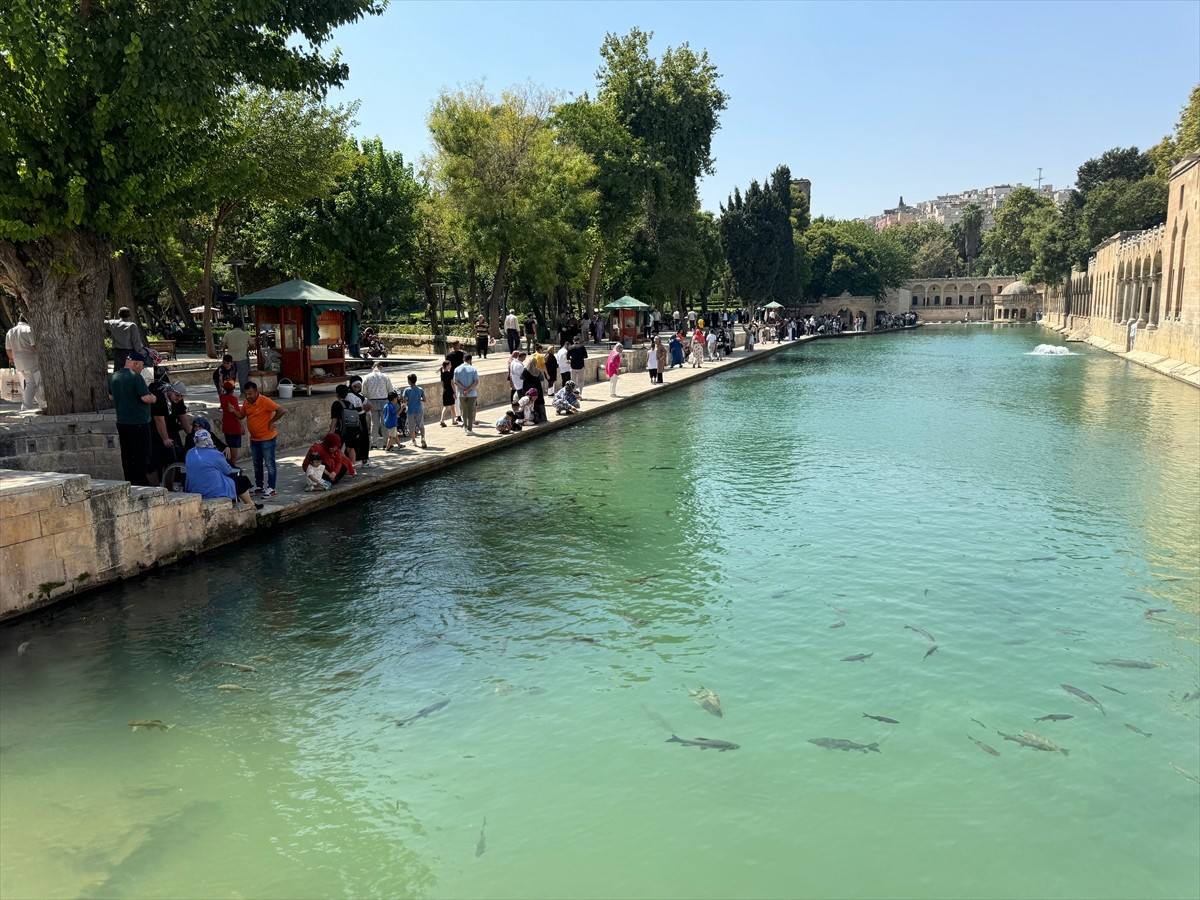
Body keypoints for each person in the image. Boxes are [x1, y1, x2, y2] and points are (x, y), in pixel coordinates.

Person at [109, 351, 156, 484]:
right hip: (139, 422)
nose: (142, 368)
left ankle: (130, 481)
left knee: (127, 455)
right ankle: (142, 482)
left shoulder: (114, 376)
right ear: (136, 363)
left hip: (122, 422)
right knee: (141, 455)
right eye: (142, 365)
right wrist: (154, 398)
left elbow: (111, 396)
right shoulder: (135, 377)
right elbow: (145, 398)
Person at [185, 428, 259, 509]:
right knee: (238, 481)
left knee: (235, 480)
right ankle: (251, 504)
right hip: (210, 490)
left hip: (193, 488)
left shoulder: (190, 453)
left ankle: (250, 503)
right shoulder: (214, 454)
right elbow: (227, 471)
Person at [241, 381, 285, 498]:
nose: (248, 396)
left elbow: (281, 410)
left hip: (267, 438)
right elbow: (241, 415)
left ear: (256, 392)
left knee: (269, 464)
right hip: (254, 439)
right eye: (246, 394)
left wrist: (271, 421)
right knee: (257, 464)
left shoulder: (265, 401)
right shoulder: (246, 403)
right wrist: (232, 410)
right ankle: (259, 486)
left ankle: (271, 488)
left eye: (250, 394)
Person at [149, 380, 190, 485]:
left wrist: (191, 434)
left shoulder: (178, 399)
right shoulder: (160, 397)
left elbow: (183, 416)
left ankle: (169, 486)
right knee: (153, 462)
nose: (179, 398)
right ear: (169, 391)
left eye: (181, 397)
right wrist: (165, 439)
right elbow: (159, 420)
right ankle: (155, 488)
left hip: (171, 429)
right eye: (177, 395)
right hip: (154, 432)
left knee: (172, 460)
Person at [5, 313, 41, 411]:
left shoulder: (10, 332)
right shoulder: (29, 330)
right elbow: (34, 347)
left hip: (18, 361)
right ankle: (26, 406)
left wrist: (12, 359)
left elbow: (8, 349)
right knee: (32, 383)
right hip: (30, 360)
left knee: (34, 382)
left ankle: (42, 403)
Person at [104, 307, 147, 372]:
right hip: (129, 353)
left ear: (119, 314)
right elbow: (136, 342)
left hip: (117, 352)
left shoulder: (112, 323)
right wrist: (143, 352)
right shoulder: (132, 325)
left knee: (118, 372)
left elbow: (104, 322)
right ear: (129, 314)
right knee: (130, 372)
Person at [329, 384, 362, 465]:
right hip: (352, 429)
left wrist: (331, 431)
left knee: (337, 449)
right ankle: (352, 467)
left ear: (337, 394)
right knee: (350, 448)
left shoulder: (336, 404)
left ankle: (338, 467)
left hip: (341, 430)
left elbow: (335, 419)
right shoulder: (351, 404)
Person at [362, 362, 392, 446]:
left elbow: (364, 392)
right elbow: (390, 390)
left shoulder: (367, 377)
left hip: (372, 401)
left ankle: (374, 443)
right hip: (384, 401)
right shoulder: (385, 377)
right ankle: (385, 443)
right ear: (381, 367)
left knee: (374, 423)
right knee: (384, 423)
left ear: (373, 367)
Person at [219, 317, 253, 389]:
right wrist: (247, 349)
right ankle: (243, 393)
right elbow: (252, 345)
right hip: (242, 358)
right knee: (243, 377)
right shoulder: (245, 334)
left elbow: (222, 345)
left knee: (231, 377)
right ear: (241, 325)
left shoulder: (228, 334)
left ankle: (229, 391)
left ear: (233, 325)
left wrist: (228, 347)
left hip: (230, 359)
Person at [453, 352, 480, 433]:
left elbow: (455, 381)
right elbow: (476, 382)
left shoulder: (457, 369)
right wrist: (468, 390)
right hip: (472, 394)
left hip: (461, 394)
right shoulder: (473, 369)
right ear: (470, 360)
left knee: (464, 411)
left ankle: (465, 427)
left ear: (463, 359)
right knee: (470, 411)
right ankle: (469, 429)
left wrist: (464, 389)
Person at [219, 380, 243, 465]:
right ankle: (233, 464)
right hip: (234, 426)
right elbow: (237, 414)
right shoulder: (233, 399)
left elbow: (221, 393)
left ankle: (229, 463)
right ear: (233, 388)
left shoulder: (222, 397)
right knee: (234, 447)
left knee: (229, 445)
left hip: (226, 425)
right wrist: (242, 426)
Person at [402, 373, 427, 449]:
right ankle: (423, 438)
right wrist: (420, 399)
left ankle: (413, 440)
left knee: (411, 427)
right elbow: (425, 400)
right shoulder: (420, 389)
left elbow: (404, 400)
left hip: (410, 410)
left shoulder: (407, 390)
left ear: (409, 381)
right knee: (421, 425)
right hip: (419, 409)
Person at [445, 340, 465, 424]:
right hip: (460, 377)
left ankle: (459, 414)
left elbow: (446, 366)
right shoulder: (462, 354)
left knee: (457, 396)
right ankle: (460, 414)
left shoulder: (449, 355)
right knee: (459, 396)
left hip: (454, 377)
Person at [438, 359, 456, 428]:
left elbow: (442, 384)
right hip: (450, 391)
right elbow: (452, 383)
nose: (451, 366)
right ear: (447, 366)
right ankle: (452, 420)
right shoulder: (450, 373)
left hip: (445, 391)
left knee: (447, 406)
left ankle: (443, 420)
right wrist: (454, 391)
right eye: (450, 365)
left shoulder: (442, 374)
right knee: (452, 406)